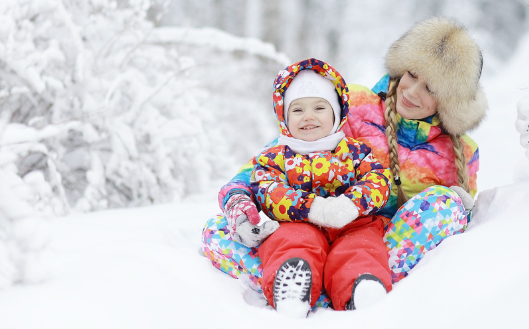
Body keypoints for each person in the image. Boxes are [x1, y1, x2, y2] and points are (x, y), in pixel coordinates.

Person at [202, 16, 486, 305]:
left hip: (375, 240)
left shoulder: (460, 152)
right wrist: (239, 198)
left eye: (431, 88)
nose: (412, 91)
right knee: (218, 232)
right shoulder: (356, 104)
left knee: (444, 205)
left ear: (450, 99)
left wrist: (455, 206)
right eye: (412, 74)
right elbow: (280, 157)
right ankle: (301, 280)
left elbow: (448, 229)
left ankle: (360, 283)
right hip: (306, 224)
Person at [223, 59, 393, 316]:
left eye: (319, 107)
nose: (308, 116)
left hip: (352, 223)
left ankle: (361, 286)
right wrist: (310, 207)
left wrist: (351, 203)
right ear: (284, 117)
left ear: (337, 113)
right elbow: (268, 190)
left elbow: (378, 181)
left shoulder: (356, 152)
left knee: (360, 247)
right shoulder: (275, 157)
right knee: (290, 242)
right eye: (298, 110)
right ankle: (292, 288)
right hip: (298, 223)